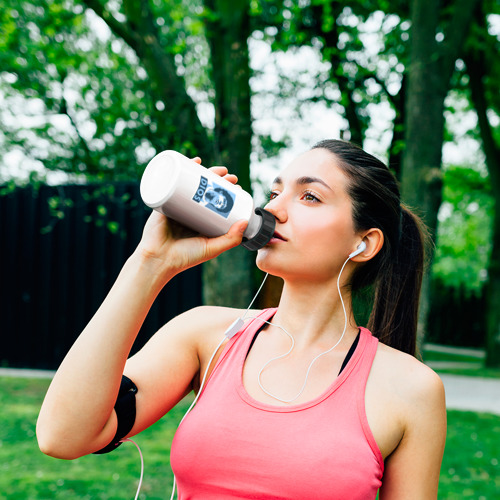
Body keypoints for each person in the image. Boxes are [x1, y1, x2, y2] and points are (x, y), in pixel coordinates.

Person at [37, 139, 447, 499]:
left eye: (309, 197)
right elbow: (63, 435)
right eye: (275, 191)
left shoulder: (411, 389)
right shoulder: (205, 335)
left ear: (363, 243)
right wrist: (150, 263)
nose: (273, 208)